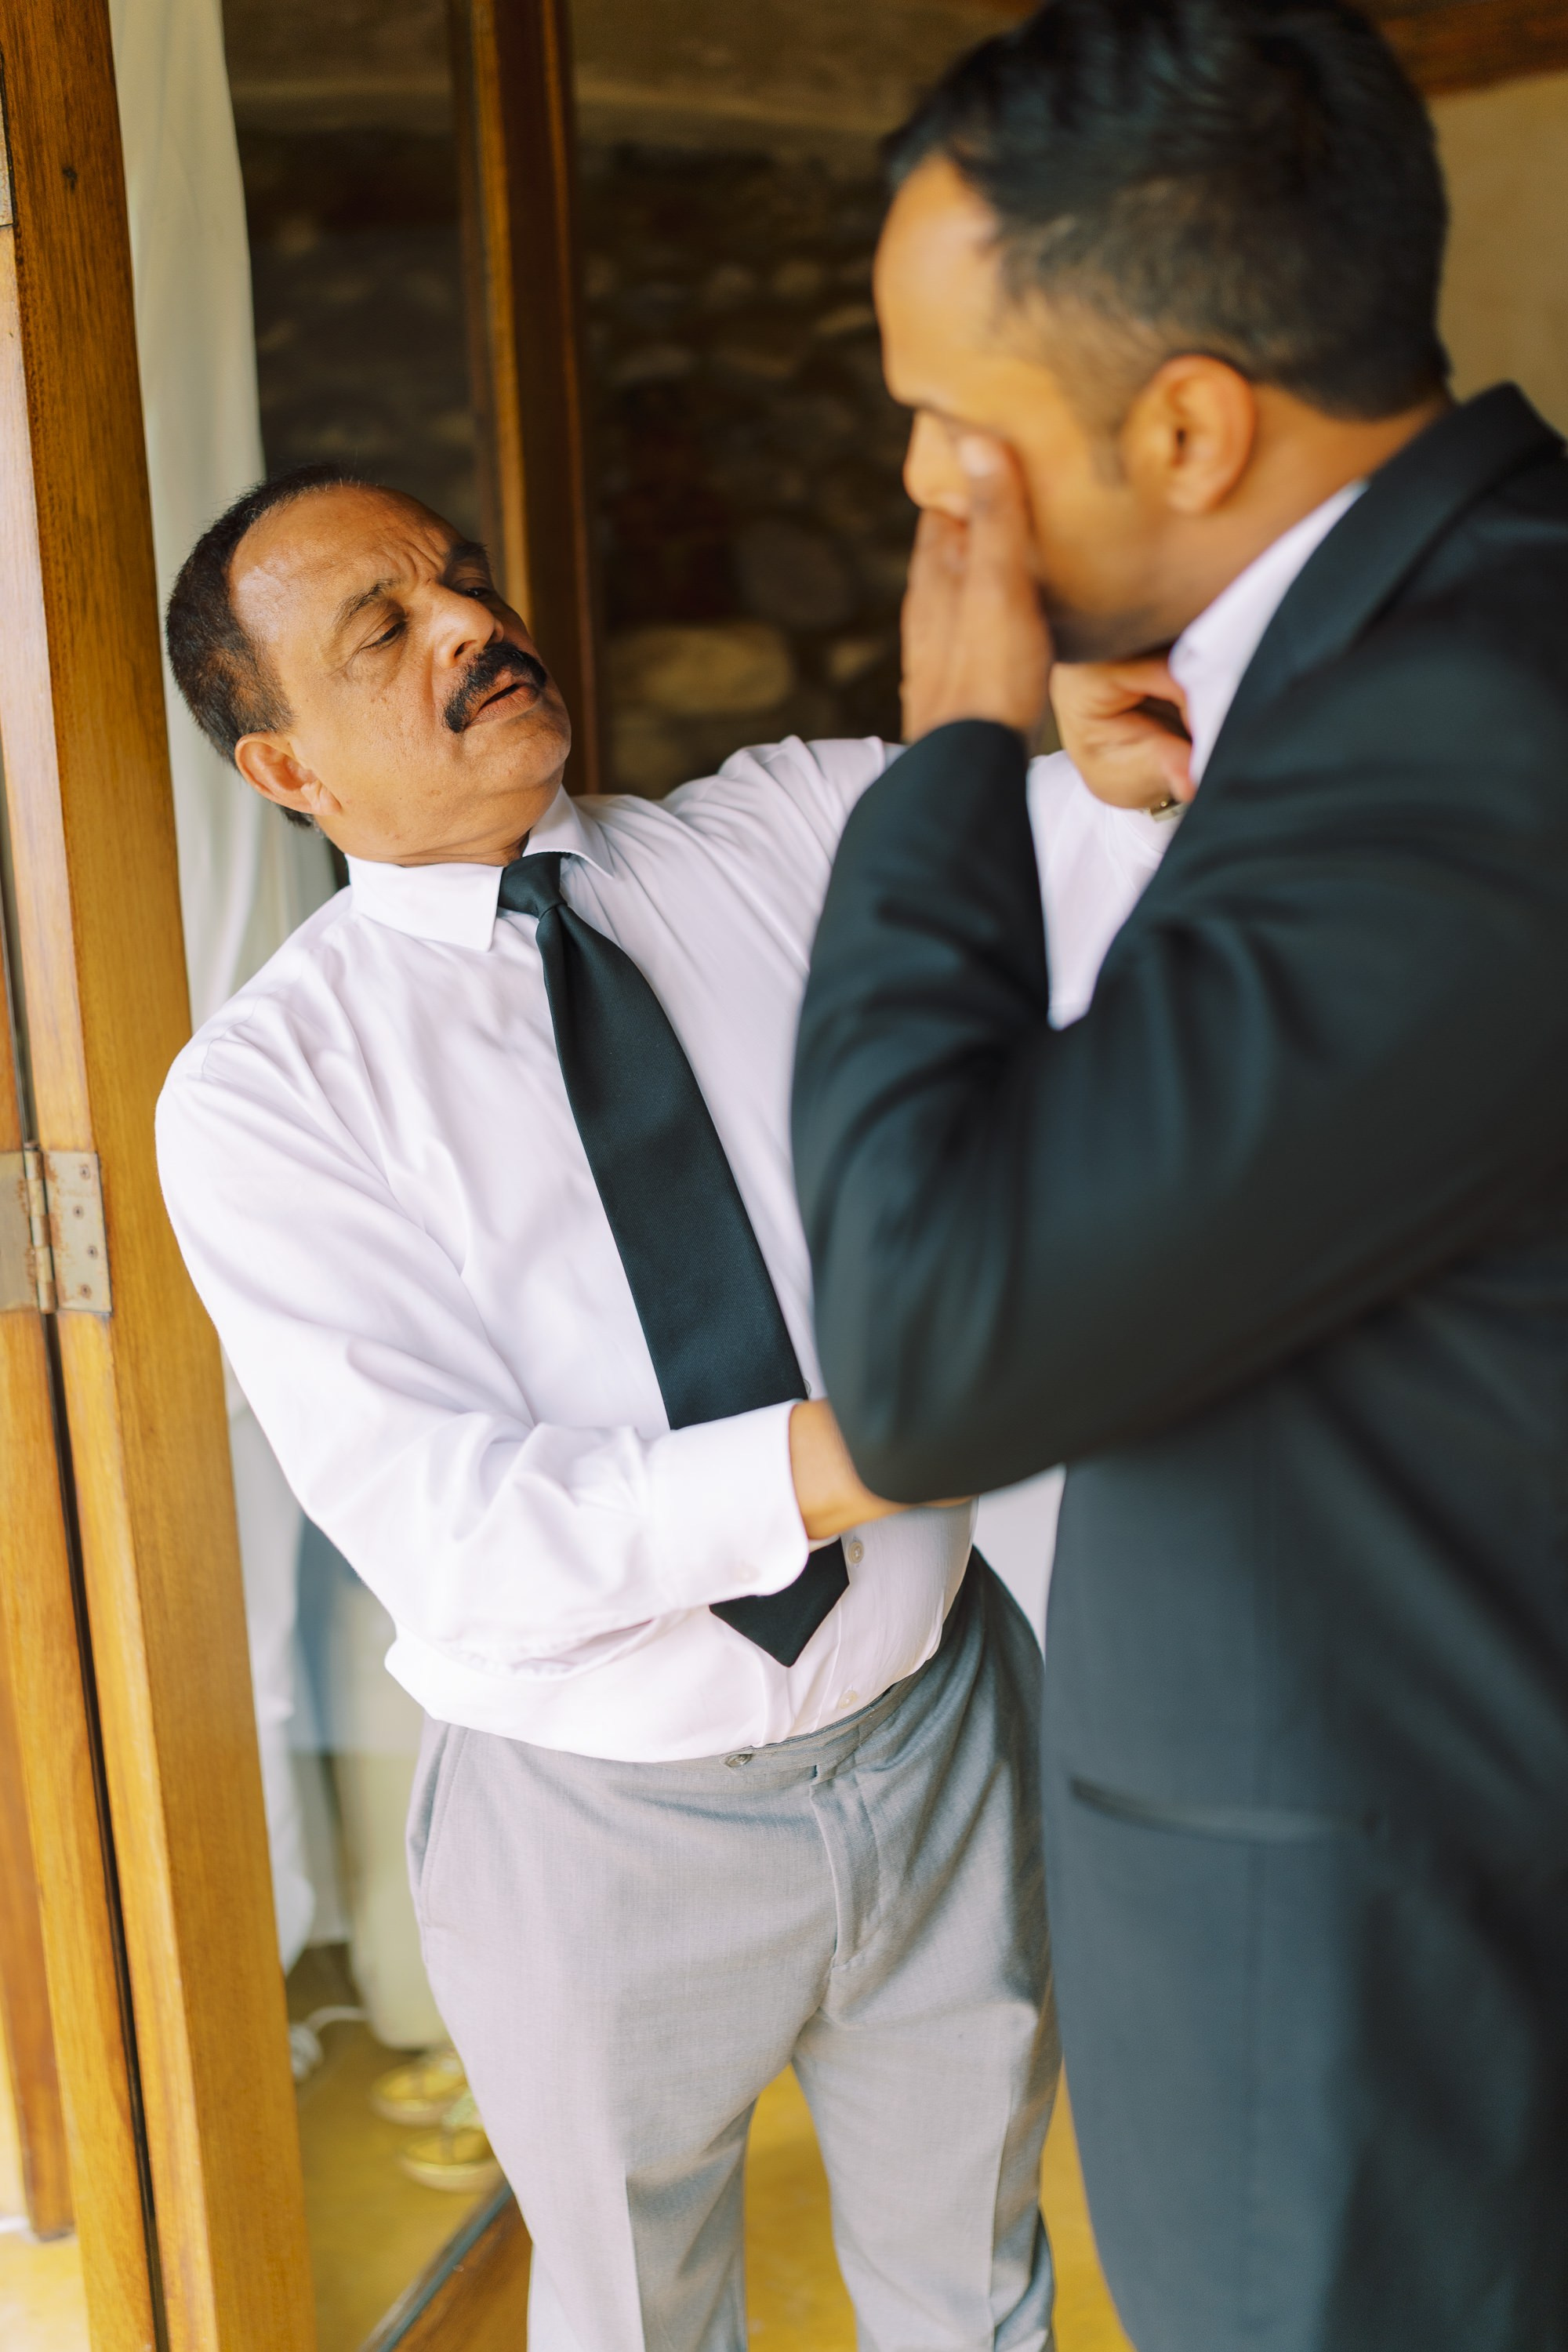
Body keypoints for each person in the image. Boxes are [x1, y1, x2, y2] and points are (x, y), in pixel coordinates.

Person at [151, 464, 1164, 2352]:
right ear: (288, 772)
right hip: (593, 1827)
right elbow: (462, 1534)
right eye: (387, 631)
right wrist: (878, 1448)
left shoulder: (775, 826)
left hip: (937, 1731)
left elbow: (1061, 837)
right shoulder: (262, 1096)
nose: (470, 622)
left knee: (980, 2291)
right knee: (638, 2323)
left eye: (460, 579)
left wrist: (1117, 748)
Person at [789, 4, 1568, 2349]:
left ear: (1192, 418)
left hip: (1367, 1984)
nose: (928, 475)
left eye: (953, 414)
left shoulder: (1455, 728)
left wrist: (942, 761)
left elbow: (931, 1351)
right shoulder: (1421, 653)